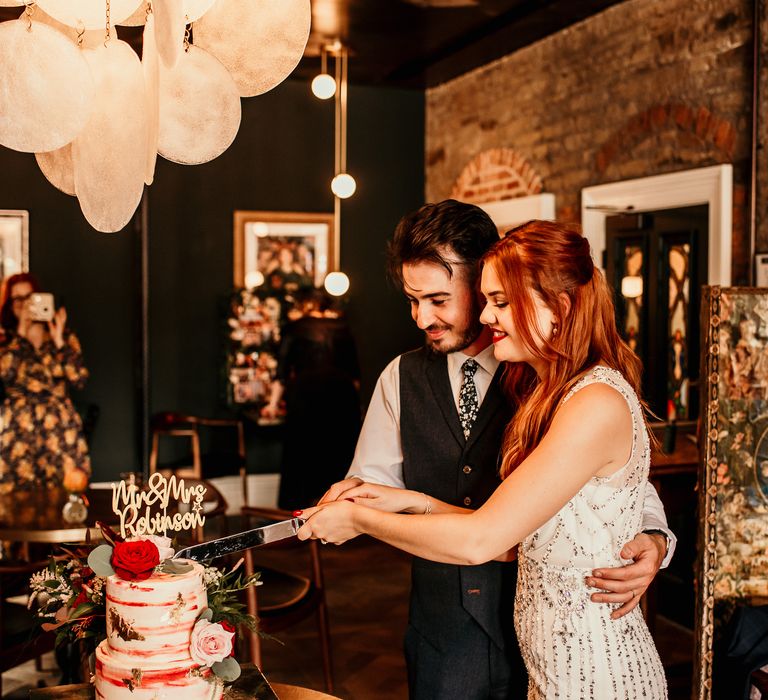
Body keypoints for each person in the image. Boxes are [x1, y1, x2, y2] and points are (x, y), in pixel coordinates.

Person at [314, 203, 674, 699]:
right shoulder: (402, 378)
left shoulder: (557, 382)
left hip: (569, 652)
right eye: (413, 300)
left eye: (439, 299)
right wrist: (368, 502)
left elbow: (622, 491)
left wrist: (655, 538)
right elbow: (373, 487)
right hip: (447, 634)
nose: (422, 318)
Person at [262, 289, 361, 509]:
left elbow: (282, 372)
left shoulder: (296, 328)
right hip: (342, 396)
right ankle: (341, 508)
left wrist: (272, 404)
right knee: (340, 451)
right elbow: (355, 375)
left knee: (302, 452)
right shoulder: (343, 328)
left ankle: (300, 511)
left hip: (306, 394)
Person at [0, 273, 90, 494]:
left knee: (66, 493)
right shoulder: (6, 340)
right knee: (15, 496)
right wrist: (21, 332)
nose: (23, 304)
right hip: (17, 427)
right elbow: (5, 374)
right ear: (10, 305)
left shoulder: (63, 336)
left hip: (59, 427)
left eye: (29, 297)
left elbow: (79, 379)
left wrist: (59, 339)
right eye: (17, 299)